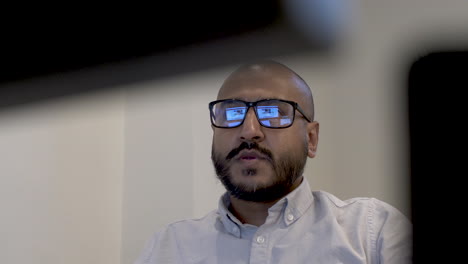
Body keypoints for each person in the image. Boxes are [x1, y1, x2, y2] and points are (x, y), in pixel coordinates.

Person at [134, 60, 412, 263]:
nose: (249, 131)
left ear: (311, 138)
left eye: (272, 112)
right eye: (231, 113)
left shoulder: (372, 234)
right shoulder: (169, 249)